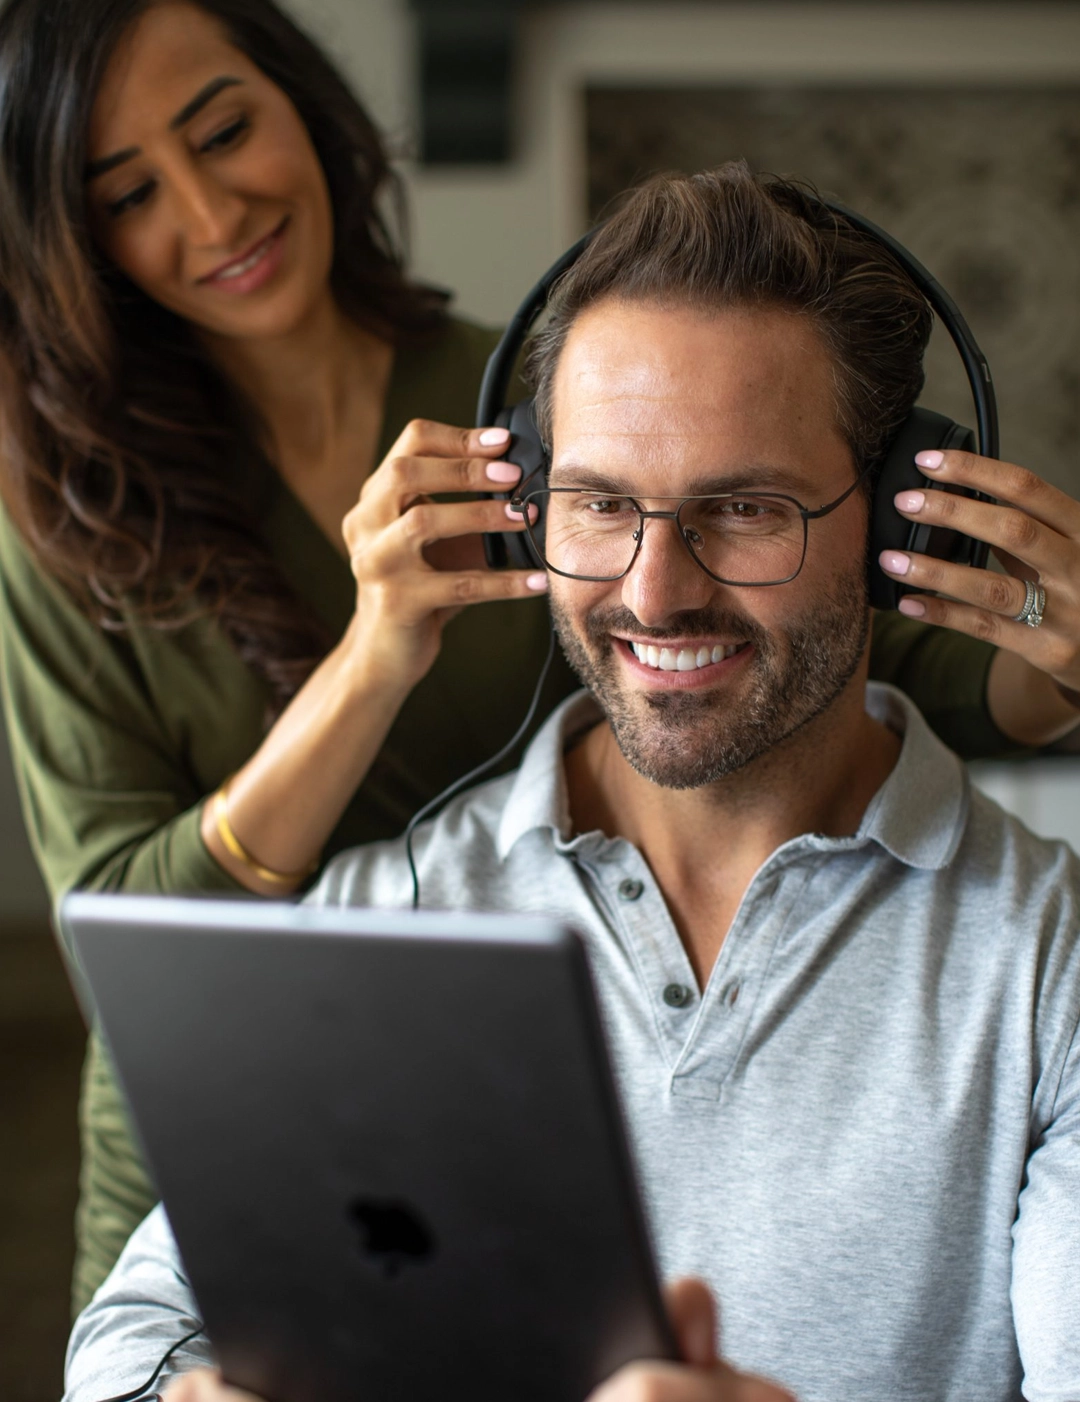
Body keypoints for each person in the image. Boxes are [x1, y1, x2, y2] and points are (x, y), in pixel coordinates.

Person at [0, 0, 1077, 1314]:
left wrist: (1053, 643)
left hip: (550, 1045)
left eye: (223, 131)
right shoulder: (69, 520)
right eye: (128, 194)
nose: (212, 216)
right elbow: (134, 928)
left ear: (305, 108)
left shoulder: (528, 403)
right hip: (250, 1074)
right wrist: (372, 658)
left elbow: (860, 647)